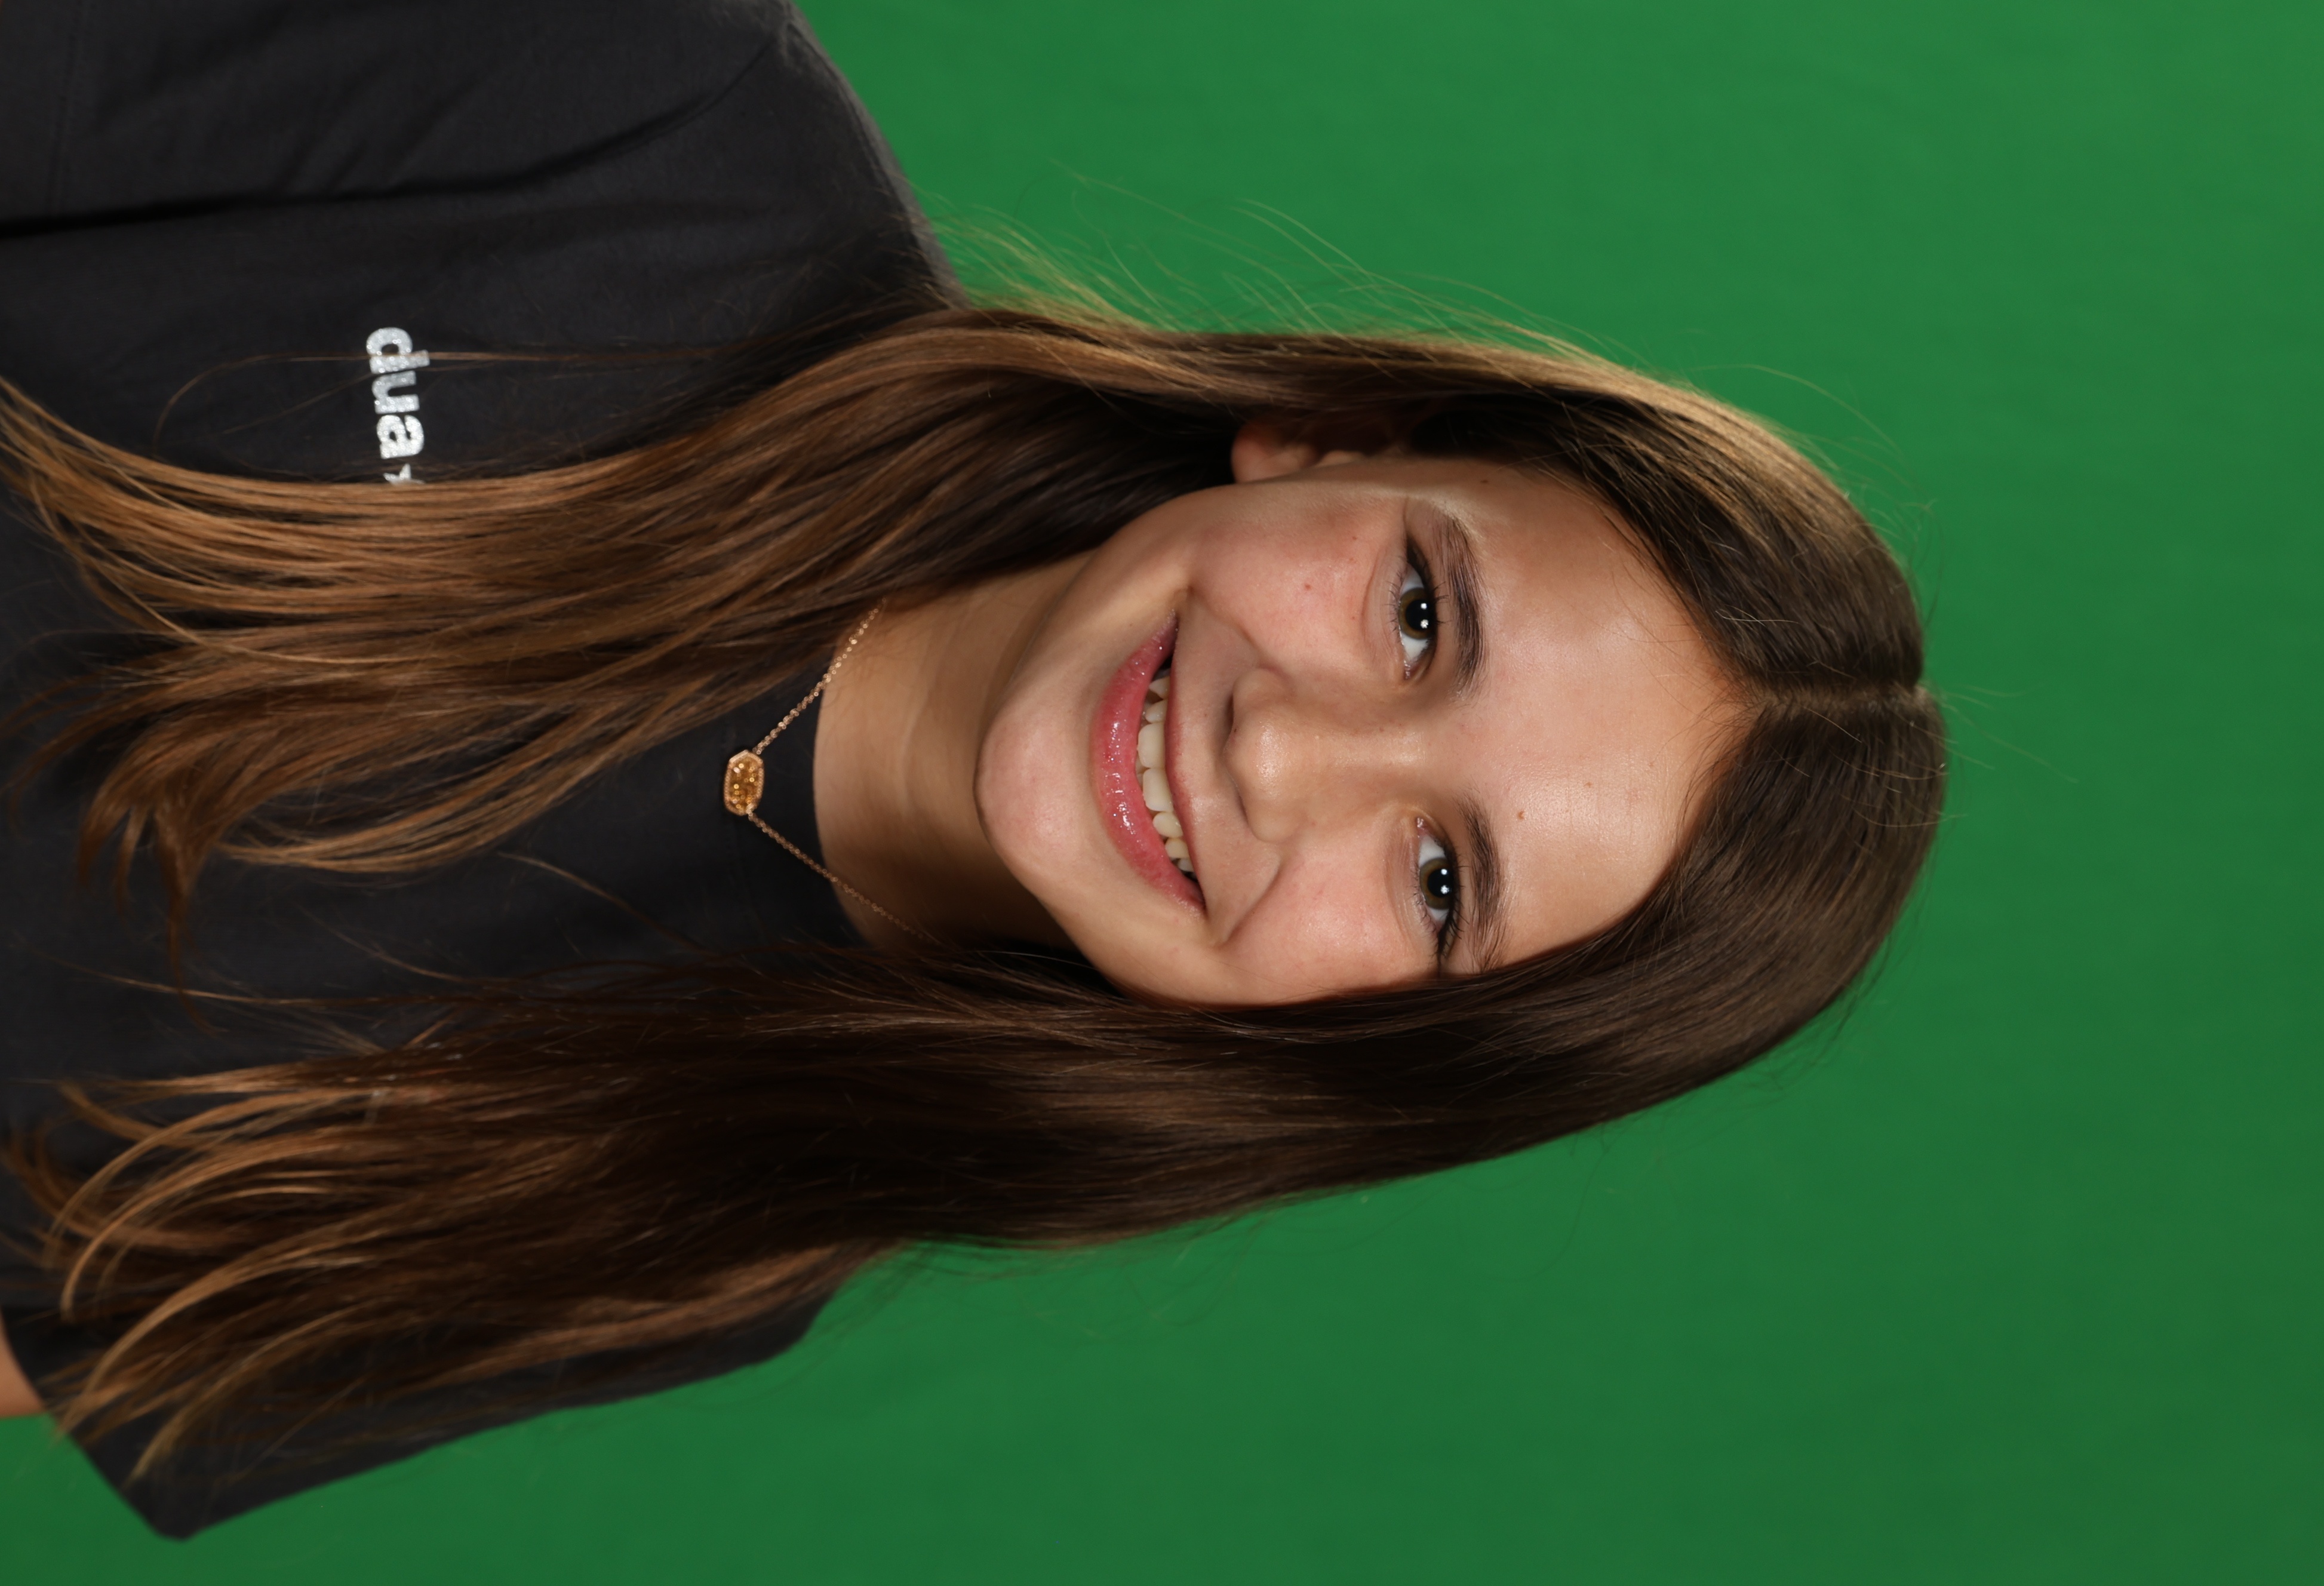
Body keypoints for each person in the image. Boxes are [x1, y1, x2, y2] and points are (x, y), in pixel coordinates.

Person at [0, 0, 1945, 1541]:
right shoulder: (632, 102)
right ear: (1332, 435)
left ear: (1389, 1044)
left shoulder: (695, 1244)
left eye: (1441, 881)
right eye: (1420, 613)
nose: (1285, 748)